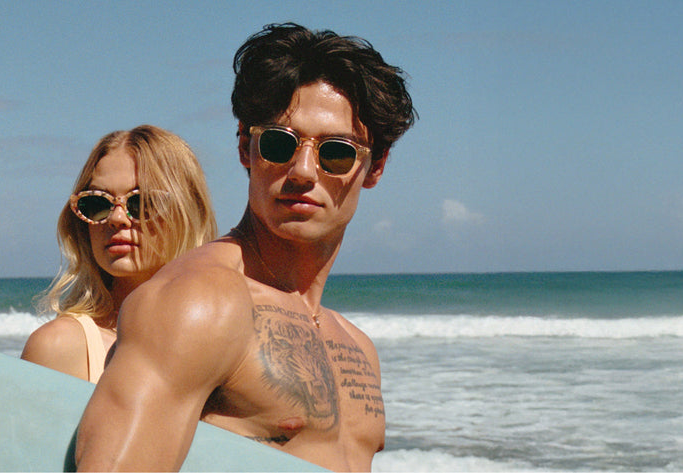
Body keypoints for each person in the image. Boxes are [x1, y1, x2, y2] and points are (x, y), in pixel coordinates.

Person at [75, 23, 415, 471]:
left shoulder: (357, 348)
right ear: (244, 147)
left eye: (336, 152)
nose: (303, 171)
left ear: (376, 167)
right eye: (278, 143)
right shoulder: (199, 301)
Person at [21, 125, 217, 383]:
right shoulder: (59, 347)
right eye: (97, 203)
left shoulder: (229, 340)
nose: (116, 218)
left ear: (190, 212)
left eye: (142, 202)